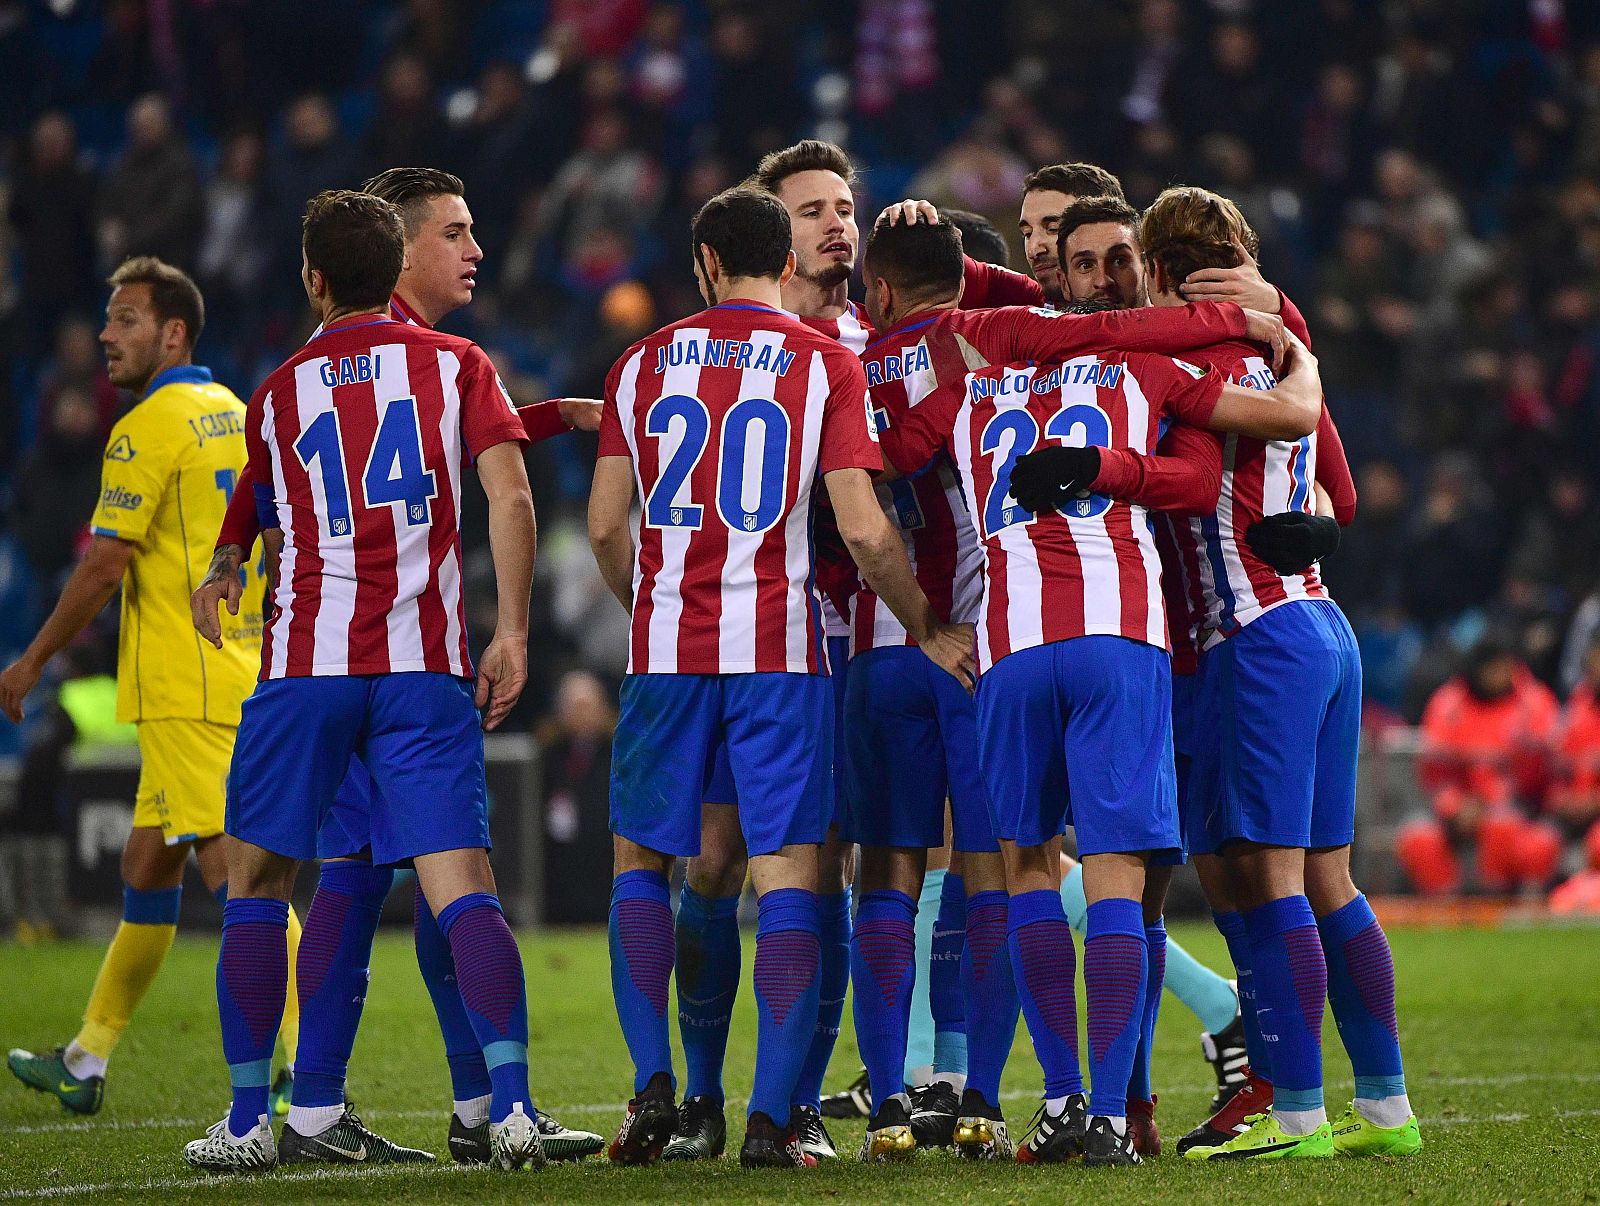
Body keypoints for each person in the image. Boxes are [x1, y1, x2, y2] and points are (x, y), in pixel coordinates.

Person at [876, 215, 1324, 1166]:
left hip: (1006, 645)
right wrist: (1278, 331)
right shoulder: (1146, 371)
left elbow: (879, 460)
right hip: (1121, 637)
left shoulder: (966, 383)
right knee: (1122, 879)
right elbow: (1212, 473)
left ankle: (1064, 1102)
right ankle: (1116, 1118)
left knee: (1029, 869)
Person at [194, 166, 602, 1165]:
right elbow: (489, 474)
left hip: (307, 667)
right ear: (402, 250)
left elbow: (266, 477)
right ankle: (493, 1106)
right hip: (418, 664)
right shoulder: (454, 366)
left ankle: (268, 1117)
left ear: (313, 280)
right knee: (445, 882)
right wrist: (511, 629)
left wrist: (225, 559)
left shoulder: (279, 387)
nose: (472, 250)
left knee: (271, 883)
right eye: (454, 233)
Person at [588, 186, 975, 1170]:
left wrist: (657, 598)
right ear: (780, 260)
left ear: (706, 264)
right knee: (794, 874)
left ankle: (653, 1094)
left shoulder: (636, 364)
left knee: (647, 863)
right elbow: (860, 524)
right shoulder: (825, 362)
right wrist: (923, 622)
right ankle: (772, 1120)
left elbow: (601, 523)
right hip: (780, 654)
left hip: (668, 652)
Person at [1034, 184, 1418, 1160]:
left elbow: (1193, 479)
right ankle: (1383, 1108)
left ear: (1157, 270)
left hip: (1244, 635)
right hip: (1318, 621)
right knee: (1326, 878)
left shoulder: (1157, 355)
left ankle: (1292, 1117)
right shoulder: (1283, 349)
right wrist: (1278, 315)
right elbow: (1341, 488)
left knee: (1261, 879)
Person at [2, 257, 301, 1118]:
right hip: (238, 670)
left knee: (244, 880)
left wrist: (31, 662)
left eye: (126, 318)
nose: (106, 334)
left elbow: (105, 563)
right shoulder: (238, 415)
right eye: (108, 318)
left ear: (174, 333)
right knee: (147, 865)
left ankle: (301, 1071)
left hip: (183, 683)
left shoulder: (146, 425)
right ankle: (87, 1059)